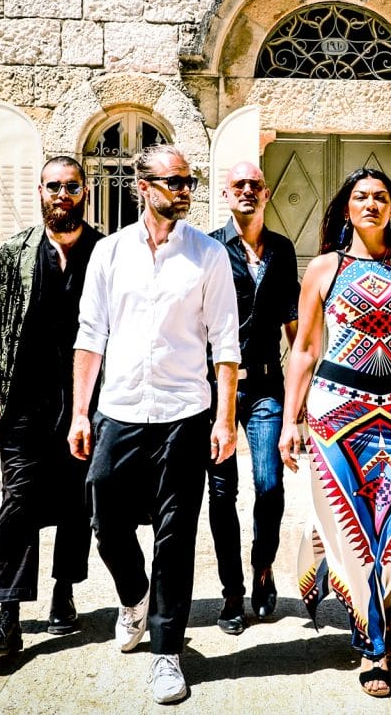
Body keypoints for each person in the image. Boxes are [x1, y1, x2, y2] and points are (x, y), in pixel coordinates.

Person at [68, 144, 240, 705]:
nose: (184, 190)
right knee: (105, 514)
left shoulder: (208, 255)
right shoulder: (110, 253)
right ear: (142, 187)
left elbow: (226, 343)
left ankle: (167, 651)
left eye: (188, 180)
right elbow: (90, 336)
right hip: (118, 408)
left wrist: (226, 417)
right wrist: (78, 412)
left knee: (175, 532)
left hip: (184, 413)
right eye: (172, 181)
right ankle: (134, 595)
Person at [279, 167, 391, 699]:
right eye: (360, 198)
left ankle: (379, 604)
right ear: (346, 209)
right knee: (352, 525)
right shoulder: (325, 268)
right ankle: (372, 644)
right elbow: (306, 348)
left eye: (380, 197)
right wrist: (292, 419)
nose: (371, 204)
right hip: (337, 412)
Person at [0, 156, 104, 657]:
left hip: (86, 400)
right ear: (40, 191)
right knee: (17, 503)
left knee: (75, 503)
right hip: (24, 402)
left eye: (70, 186)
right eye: (52, 187)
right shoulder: (15, 253)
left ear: (84, 191)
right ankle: (8, 613)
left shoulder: (105, 252)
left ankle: (64, 593)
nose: (61, 195)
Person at [206, 162, 299, 634]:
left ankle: (263, 570)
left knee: (269, 486)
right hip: (215, 388)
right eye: (238, 184)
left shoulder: (282, 250)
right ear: (226, 194)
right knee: (222, 493)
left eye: (255, 185)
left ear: (266, 194)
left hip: (266, 385)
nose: (247, 190)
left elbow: (293, 325)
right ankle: (231, 593)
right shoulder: (209, 247)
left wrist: (304, 395)